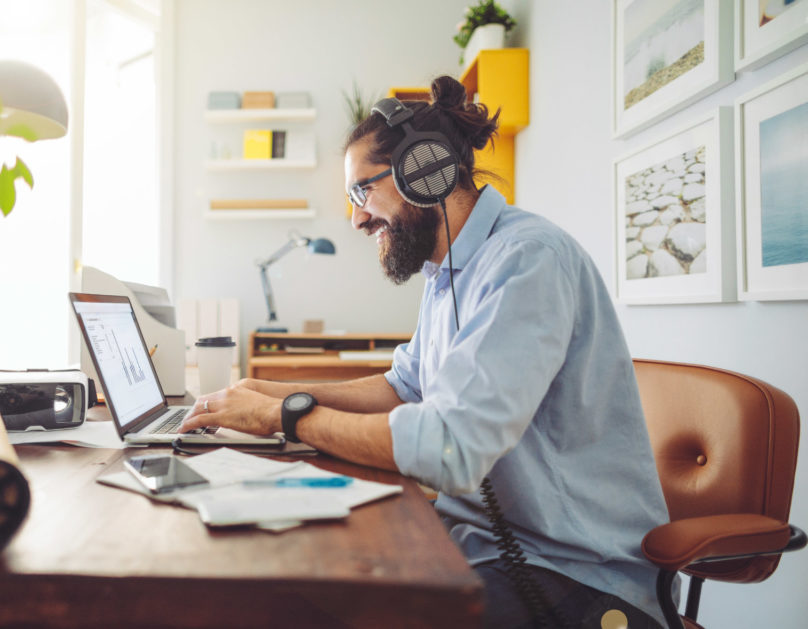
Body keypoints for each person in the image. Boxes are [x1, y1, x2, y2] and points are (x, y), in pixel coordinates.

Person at [180, 75, 670, 629]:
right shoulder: (447, 274)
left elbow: (450, 448)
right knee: (303, 575)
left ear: (424, 170)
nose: (357, 219)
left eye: (362, 192)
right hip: (478, 546)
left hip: (574, 575)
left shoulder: (527, 261)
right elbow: (403, 387)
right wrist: (267, 392)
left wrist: (286, 417)